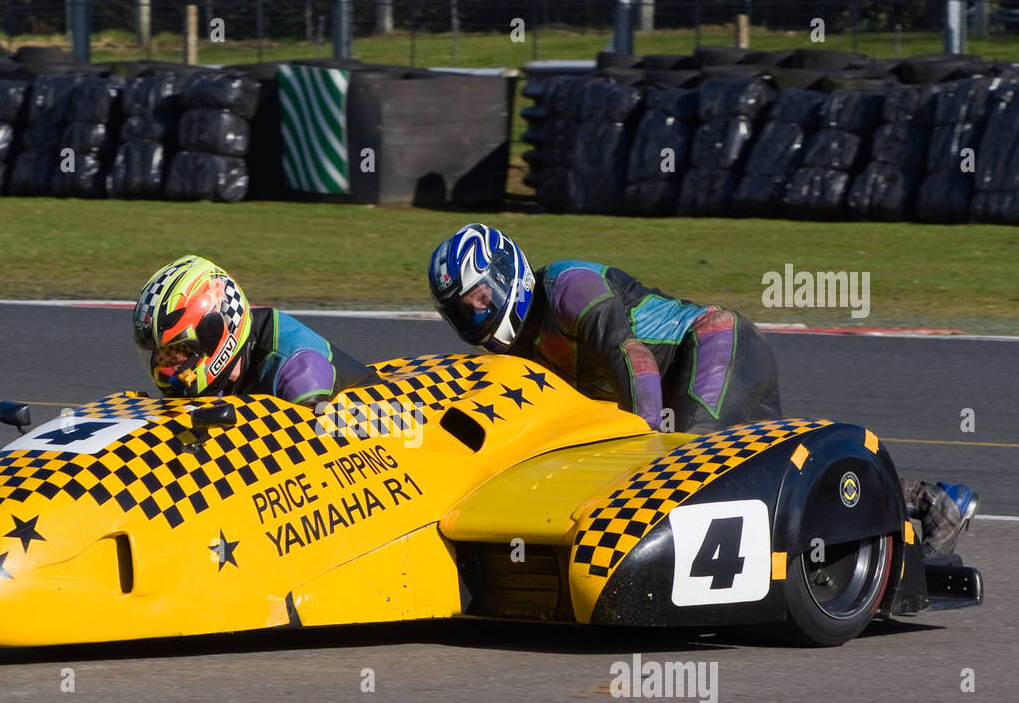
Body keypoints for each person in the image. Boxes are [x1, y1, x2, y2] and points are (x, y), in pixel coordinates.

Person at [426, 223, 978, 559]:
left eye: (477, 298)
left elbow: (633, 359)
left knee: (690, 469)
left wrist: (641, 452)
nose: (473, 315)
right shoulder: (517, 352)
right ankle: (927, 505)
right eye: (460, 310)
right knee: (768, 485)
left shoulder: (568, 287)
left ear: (505, 273)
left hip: (715, 346)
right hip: (686, 382)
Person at [133, 255, 376, 408]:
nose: (165, 367)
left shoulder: (300, 376)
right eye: (159, 354)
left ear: (217, 334)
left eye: (178, 350)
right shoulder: (228, 367)